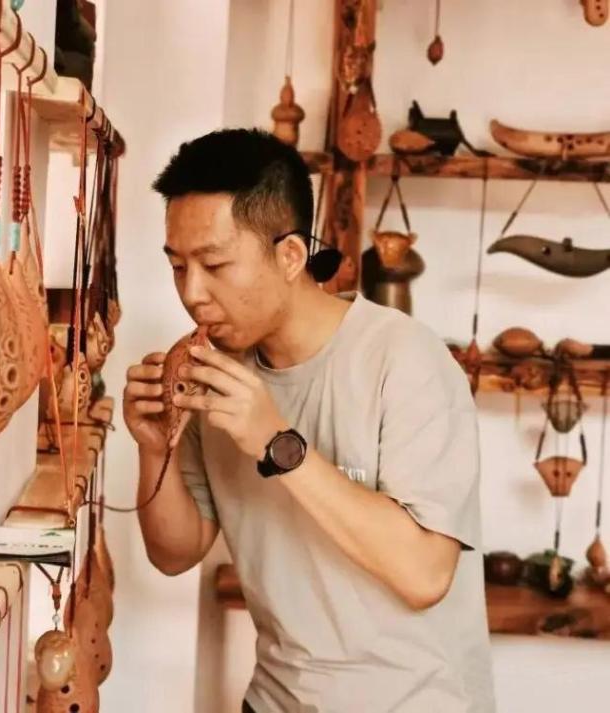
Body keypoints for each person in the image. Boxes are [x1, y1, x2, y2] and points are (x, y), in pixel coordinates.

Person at [122, 128, 495, 713]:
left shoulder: (406, 360)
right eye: (177, 267)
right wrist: (153, 448)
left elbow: (425, 574)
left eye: (215, 264)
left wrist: (276, 441)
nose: (192, 293)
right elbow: (175, 552)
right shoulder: (215, 372)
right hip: (274, 699)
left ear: (291, 256)